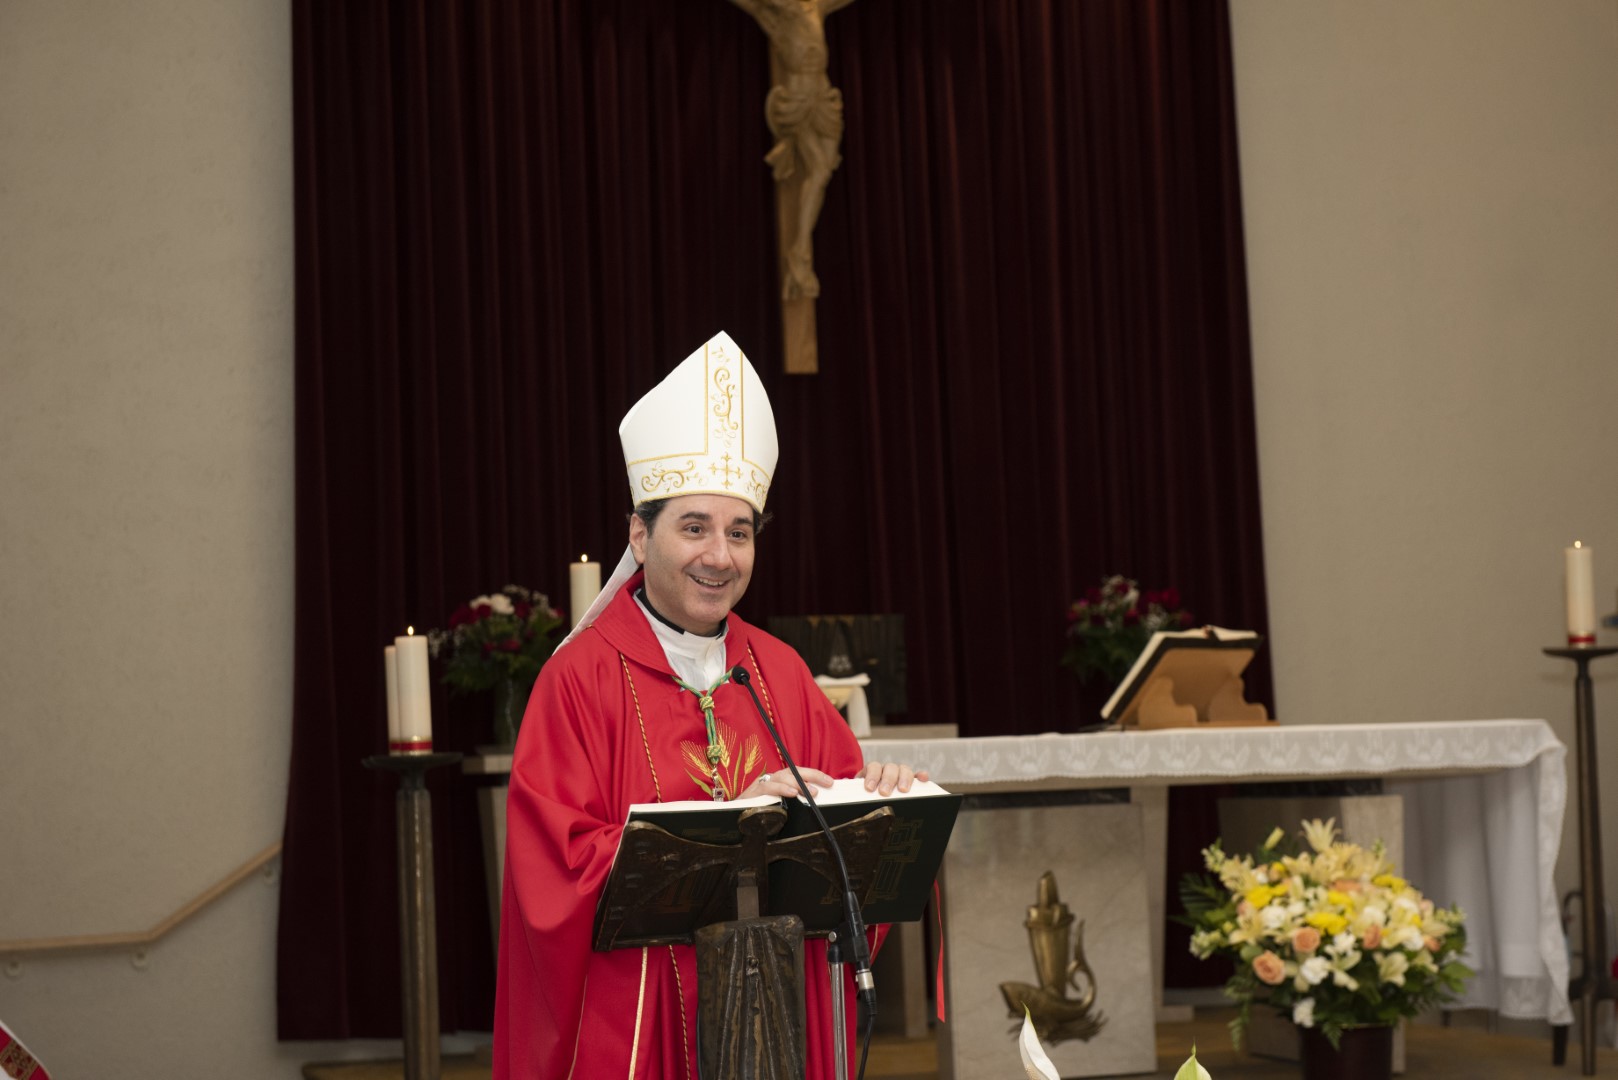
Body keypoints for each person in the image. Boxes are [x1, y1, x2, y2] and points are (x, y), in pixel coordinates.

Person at [494, 330, 924, 1079]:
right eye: (693, 528)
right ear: (640, 532)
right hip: (642, 1022)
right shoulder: (579, 681)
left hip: (776, 1015)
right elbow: (551, 874)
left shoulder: (779, 671)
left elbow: (859, 885)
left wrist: (873, 808)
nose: (718, 556)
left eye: (739, 532)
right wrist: (738, 824)